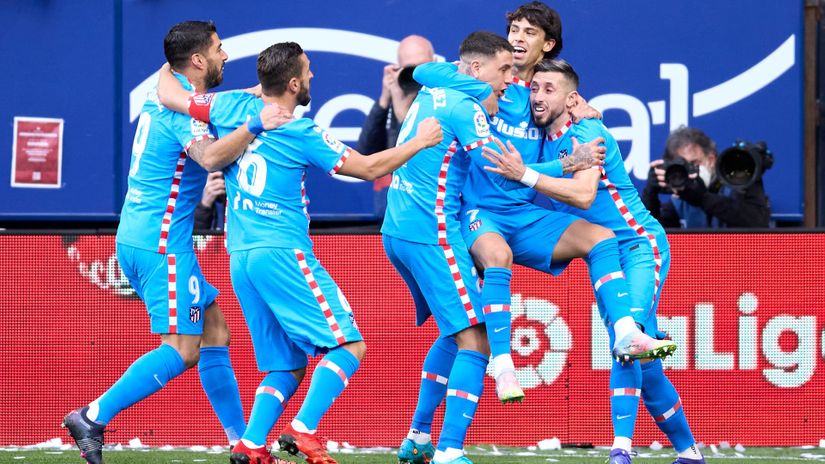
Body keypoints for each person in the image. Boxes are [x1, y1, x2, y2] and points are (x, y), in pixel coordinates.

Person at [398, 4, 676, 462]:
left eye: (530, 32)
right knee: (464, 328)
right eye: (513, 30)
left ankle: (625, 330)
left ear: (547, 45)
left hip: (524, 215)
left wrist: (586, 115)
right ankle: (446, 414)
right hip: (475, 214)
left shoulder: (542, 94)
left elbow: (575, 151)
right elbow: (423, 71)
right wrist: (464, 80)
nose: (519, 38)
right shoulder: (484, 81)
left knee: (597, 239)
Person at [158, 41, 443, 464]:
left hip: (241, 258)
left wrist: (173, 59)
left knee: (286, 365)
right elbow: (366, 169)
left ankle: (252, 445)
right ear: (293, 83)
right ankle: (304, 431)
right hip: (282, 254)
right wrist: (419, 141)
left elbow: (169, 92)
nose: (312, 78)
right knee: (348, 346)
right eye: (307, 72)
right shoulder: (300, 131)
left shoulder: (233, 107)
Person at [61, 21, 290, 464]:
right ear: (199, 60)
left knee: (215, 332)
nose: (226, 55)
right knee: (183, 348)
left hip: (142, 235)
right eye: (220, 49)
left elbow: (178, 83)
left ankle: (241, 444)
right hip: (162, 245)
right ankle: (92, 416)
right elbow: (209, 157)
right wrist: (256, 125)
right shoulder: (183, 111)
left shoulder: (169, 91)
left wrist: (249, 98)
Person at [482, 58, 705, 464]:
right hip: (603, 255)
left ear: (571, 99)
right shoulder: (542, 137)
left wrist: (524, 175)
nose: (537, 97)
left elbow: (584, 196)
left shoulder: (588, 131)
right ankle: (689, 452)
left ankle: (620, 450)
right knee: (647, 365)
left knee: (627, 344)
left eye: (550, 90)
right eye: (535, 88)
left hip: (637, 246)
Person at [358, 35, 436, 217]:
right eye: (410, 69)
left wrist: (402, 113)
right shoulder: (396, 96)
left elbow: (418, 160)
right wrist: (385, 99)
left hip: (428, 207)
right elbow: (365, 152)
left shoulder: (444, 100)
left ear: (435, 63)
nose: (416, 75)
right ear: (398, 68)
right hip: (391, 213)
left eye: (422, 66)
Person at [642, 126, 771, 228]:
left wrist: (702, 198)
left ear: (711, 160)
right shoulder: (679, 200)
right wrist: (650, 194)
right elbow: (650, 237)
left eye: (694, 163)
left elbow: (758, 222)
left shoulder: (737, 183)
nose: (689, 171)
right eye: (684, 166)